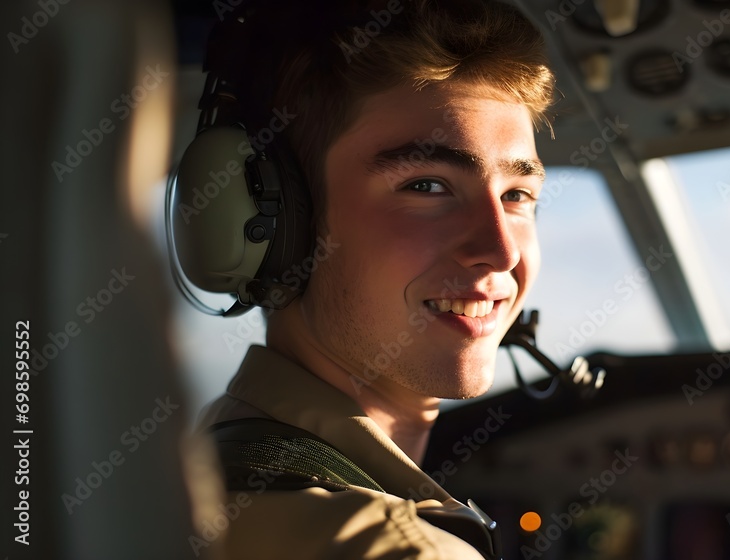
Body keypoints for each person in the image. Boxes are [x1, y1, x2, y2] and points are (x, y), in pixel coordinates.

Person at [189, 0, 556, 557]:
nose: (501, 252)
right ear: (279, 226)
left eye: (517, 195)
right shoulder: (402, 550)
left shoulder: (213, 451)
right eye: (426, 186)